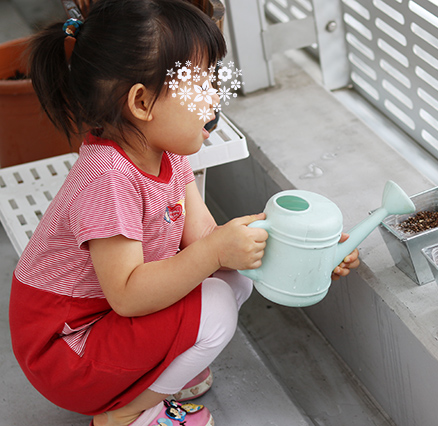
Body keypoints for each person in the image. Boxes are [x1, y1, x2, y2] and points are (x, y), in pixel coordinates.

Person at [8, 1, 360, 425]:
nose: (213, 98)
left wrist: (308, 251)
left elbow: (208, 237)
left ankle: (156, 373)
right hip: (67, 352)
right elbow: (128, 295)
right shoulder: (108, 179)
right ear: (141, 102)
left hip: (101, 327)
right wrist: (215, 252)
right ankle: (124, 412)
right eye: (200, 84)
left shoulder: (166, 155)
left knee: (231, 277)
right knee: (214, 304)